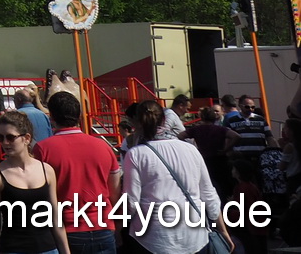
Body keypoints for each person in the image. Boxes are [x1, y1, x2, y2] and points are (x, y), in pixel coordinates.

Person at [120, 99, 226, 254]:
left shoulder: (135, 154)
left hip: (152, 237)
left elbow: (131, 202)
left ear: (138, 122)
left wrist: (118, 227)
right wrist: (223, 231)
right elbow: (209, 194)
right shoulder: (191, 149)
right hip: (195, 234)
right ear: (164, 119)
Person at [32, 91, 118, 254]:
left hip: (67, 229)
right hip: (103, 225)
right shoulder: (103, 147)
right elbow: (114, 191)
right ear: (79, 116)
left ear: (52, 117)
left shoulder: (43, 149)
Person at [0, 109, 68, 254]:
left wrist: (66, 251)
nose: (4, 143)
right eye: (0, 137)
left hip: (48, 249)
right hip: (14, 249)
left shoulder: (47, 170)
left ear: (26, 138)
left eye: (10, 137)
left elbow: (55, 218)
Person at [180, 104, 237, 195]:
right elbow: (236, 136)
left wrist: (191, 149)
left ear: (202, 117)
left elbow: (180, 136)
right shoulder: (220, 129)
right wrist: (226, 149)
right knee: (223, 185)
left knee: (206, 185)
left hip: (204, 159)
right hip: (220, 158)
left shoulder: (196, 129)